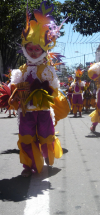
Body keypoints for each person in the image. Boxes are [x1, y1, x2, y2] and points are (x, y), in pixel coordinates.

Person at [7, 1, 66, 177]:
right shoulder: (22, 70)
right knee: (26, 137)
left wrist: (44, 91)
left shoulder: (47, 69)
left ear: (43, 49)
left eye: (37, 49)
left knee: (47, 136)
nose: (33, 52)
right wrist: (15, 94)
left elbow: (54, 90)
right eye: (30, 48)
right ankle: (28, 166)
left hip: (43, 110)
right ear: (25, 49)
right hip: (26, 111)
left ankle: (46, 156)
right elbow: (14, 88)